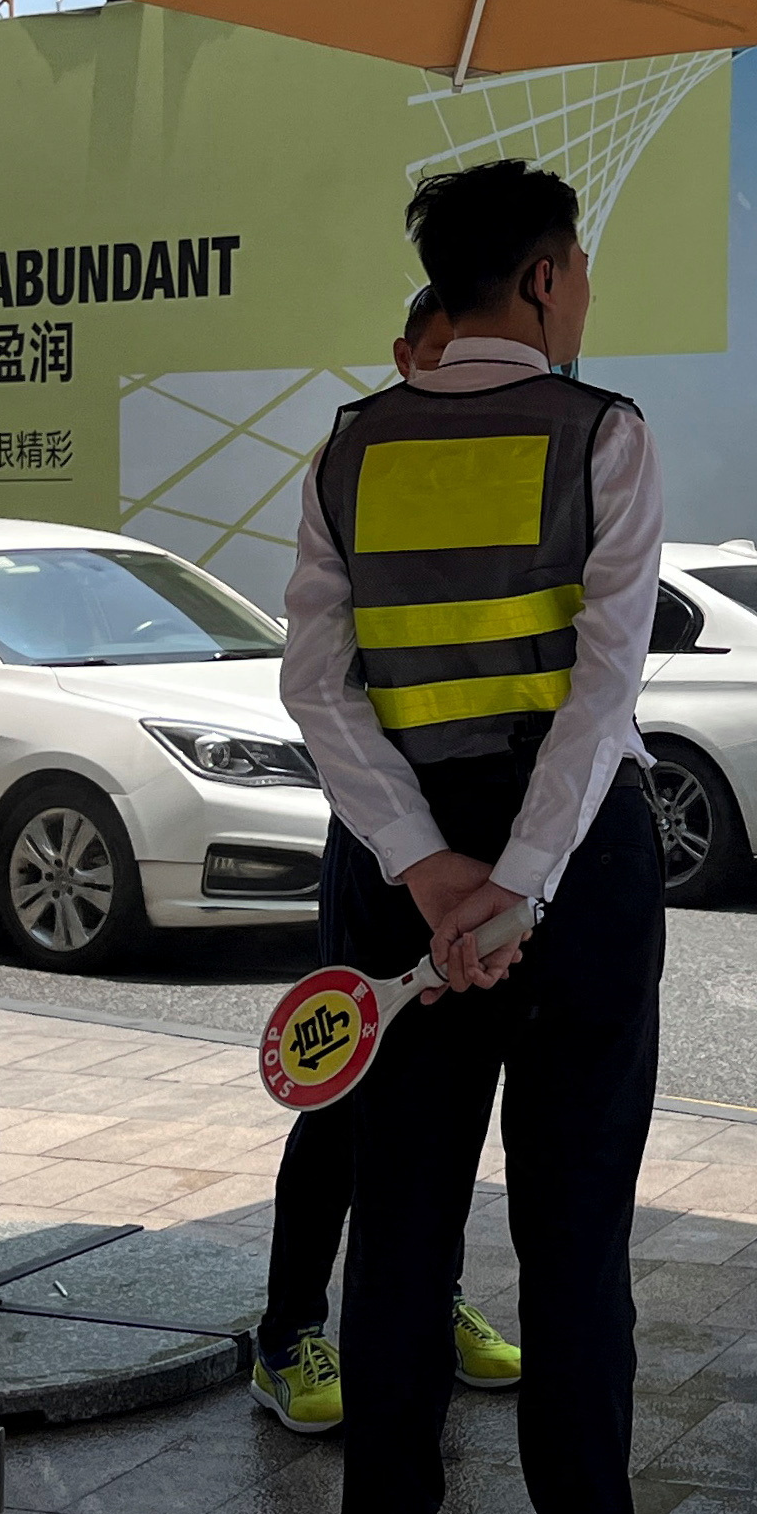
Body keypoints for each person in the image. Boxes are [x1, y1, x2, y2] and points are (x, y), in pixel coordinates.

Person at [280, 162, 696, 1514]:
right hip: (574, 882)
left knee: (397, 1234)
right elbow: (607, 687)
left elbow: (315, 692)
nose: (584, 295)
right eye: (577, 270)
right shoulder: (606, 434)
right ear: (538, 278)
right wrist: (518, 880)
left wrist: (428, 873)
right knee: (575, 1235)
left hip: (393, 890)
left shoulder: (347, 450)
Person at [250, 284, 525, 1434]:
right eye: (439, 352)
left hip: (485, 852)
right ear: (408, 350)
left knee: (453, 1098)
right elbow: (321, 682)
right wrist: (418, 856)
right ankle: (287, 1332)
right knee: (349, 1087)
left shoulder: (531, 464)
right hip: (383, 852)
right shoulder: (355, 460)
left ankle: (432, 1296)